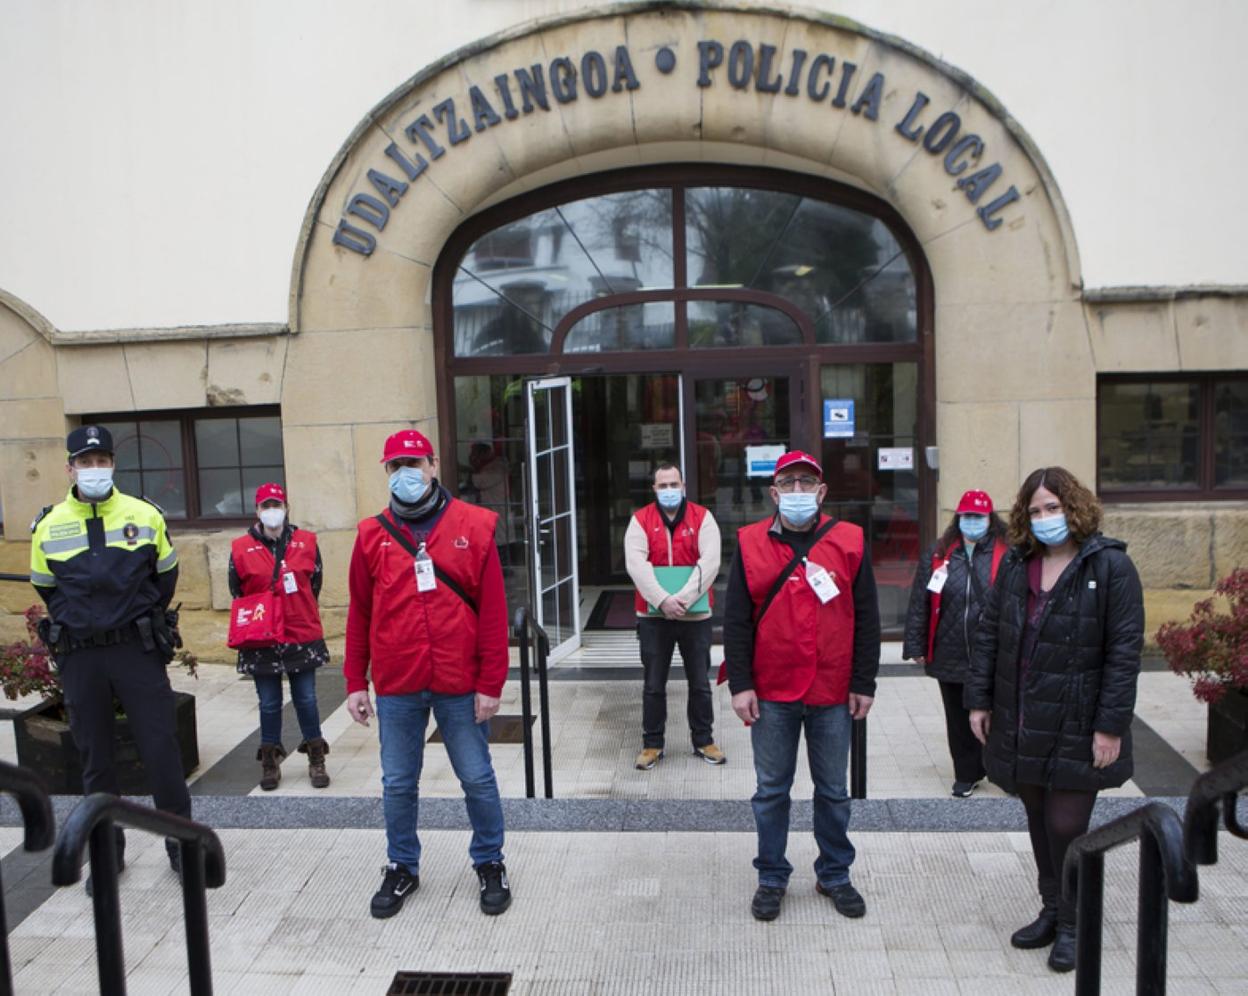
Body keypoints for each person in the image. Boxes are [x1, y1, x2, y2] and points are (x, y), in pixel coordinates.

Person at [965, 466, 1144, 973]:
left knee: (1067, 824)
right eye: (1036, 510)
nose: (1046, 518)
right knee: (1038, 822)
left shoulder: (1110, 567)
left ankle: (1074, 922)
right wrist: (980, 702)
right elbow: (989, 634)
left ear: (1075, 507)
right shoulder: (1019, 565)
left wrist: (1110, 725)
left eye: (1054, 507)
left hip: (1078, 719)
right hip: (1022, 716)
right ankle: (1051, 909)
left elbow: (1124, 652)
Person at [344, 428, 512, 919]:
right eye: (396, 466)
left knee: (477, 778)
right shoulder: (371, 535)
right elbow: (360, 612)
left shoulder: (474, 525)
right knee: (398, 783)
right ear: (387, 473)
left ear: (434, 465)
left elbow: (494, 613)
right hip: (398, 682)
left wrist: (490, 685)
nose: (406, 474)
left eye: (414, 464)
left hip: (459, 682)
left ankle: (489, 861)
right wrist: (356, 680)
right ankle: (402, 866)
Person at [723, 450, 881, 922]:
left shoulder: (849, 541)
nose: (797, 492)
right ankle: (772, 875)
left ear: (822, 491)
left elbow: (868, 617)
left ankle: (834, 872)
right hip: (772, 691)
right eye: (788, 484)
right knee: (772, 790)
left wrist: (864, 681)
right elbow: (735, 621)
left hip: (833, 690)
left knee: (833, 790)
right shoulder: (750, 542)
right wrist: (741, 684)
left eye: (806, 483)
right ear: (773, 493)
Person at [29, 424, 190, 883]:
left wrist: (131, 617)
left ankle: (181, 843)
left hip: (133, 650)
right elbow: (46, 587)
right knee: (94, 756)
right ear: (70, 467)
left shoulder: (145, 514)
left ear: (113, 465)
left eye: (102, 461)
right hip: (81, 655)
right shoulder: (49, 524)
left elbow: (165, 577)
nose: (94, 469)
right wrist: (81, 620)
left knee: (160, 748)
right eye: (85, 462)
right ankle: (106, 851)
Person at [902, 489, 1007, 798]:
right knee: (958, 717)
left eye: (978, 517)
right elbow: (920, 601)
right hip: (951, 651)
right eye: (966, 516)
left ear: (991, 519)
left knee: (1000, 713)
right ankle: (967, 773)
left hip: (995, 652)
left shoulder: (1009, 553)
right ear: (958, 519)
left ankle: (1002, 770)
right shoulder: (939, 554)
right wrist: (916, 644)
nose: (972, 522)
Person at [228, 482, 331, 791]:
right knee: (270, 702)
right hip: (261, 637)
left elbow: (315, 583)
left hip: (300, 630)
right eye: (266, 506)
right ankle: (270, 760)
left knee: (307, 698)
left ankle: (316, 757)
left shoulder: (307, 542)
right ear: (257, 511)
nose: (272, 511)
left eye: (277, 504)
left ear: (286, 508)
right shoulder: (240, 548)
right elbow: (237, 590)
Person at [624, 462, 723, 770]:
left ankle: (704, 740)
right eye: (663, 485)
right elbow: (636, 565)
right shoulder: (640, 521)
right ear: (654, 489)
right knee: (654, 684)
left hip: (695, 616)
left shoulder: (703, 518)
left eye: (674, 484)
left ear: (683, 486)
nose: (669, 490)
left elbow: (711, 562)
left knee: (700, 683)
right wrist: (663, 600)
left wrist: (683, 599)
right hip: (653, 617)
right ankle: (652, 745)